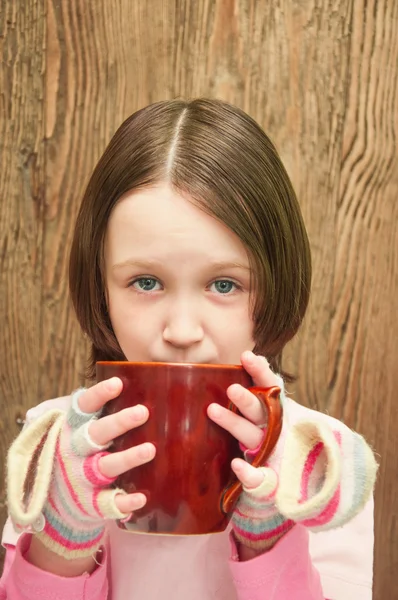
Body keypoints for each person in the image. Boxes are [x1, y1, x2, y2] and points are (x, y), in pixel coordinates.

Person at [1, 99, 377, 600]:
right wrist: (61, 539)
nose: (181, 330)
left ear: (275, 285)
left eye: (224, 285)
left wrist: (267, 532)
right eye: (146, 280)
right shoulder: (59, 450)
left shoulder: (321, 467)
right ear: (100, 287)